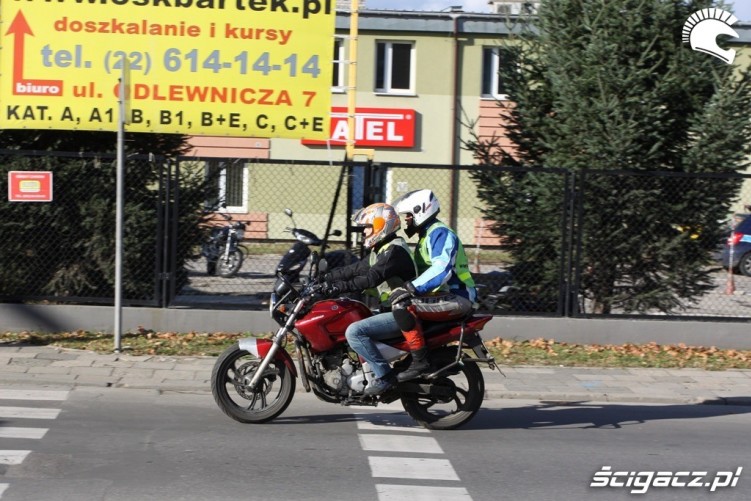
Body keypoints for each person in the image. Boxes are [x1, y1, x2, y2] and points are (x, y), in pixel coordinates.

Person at [323, 203, 417, 396]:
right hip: (391, 309)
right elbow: (356, 269)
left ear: (382, 225)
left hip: (402, 312)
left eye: (367, 227)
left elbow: (370, 278)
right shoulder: (381, 250)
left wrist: (337, 287)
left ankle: (385, 377)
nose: (364, 232)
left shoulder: (394, 252)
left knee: (355, 332)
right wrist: (325, 278)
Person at [390, 189, 477, 382]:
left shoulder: (440, 233)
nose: (406, 221)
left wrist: (410, 288)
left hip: (458, 297)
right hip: (445, 297)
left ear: (421, 211)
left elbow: (441, 269)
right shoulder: (427, 236)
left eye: (408, 216)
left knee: (402, 305)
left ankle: (420, 361)